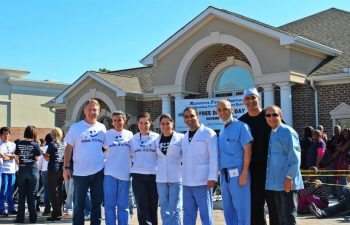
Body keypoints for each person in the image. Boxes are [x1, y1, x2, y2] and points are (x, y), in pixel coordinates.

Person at [238, 87, 279, 225]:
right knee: (255, 207)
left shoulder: (270, 116)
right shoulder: (241, 122)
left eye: (253, 97)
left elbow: (283, 137)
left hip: (272, 169)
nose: (250, 101)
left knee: (275, 206)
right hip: (253, 171)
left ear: (259, 99)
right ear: (244, 102)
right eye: (247, 98)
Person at [63, 99, 106, 225]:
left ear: (98, 112)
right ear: (84, 111)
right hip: (80, 173)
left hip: (98, 171)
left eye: (95, 110)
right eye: (90, 109)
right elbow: (68, 148)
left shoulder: (102, 127)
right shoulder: (76, 127)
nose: (92, 112)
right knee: (78, 205)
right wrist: (66, 168)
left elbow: (106, 147)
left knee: (97, 205)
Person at [265, 105, 304, 225]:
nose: (271, 117)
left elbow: (295, 157)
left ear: (280, 116)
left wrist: (289, 177)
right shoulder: (272, 132)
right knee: (281, 217)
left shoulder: (287, 131)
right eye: (268, 115)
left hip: (286, 181)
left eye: (274, 115)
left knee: (288, 217)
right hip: (276, 183)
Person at [216, 100, 253, 225]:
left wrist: (244, 173)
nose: (222, 112)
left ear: (232, 110)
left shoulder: (241, 127)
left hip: (238, 174)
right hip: (224, 175)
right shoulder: (221, 131)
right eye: (219, 110)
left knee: (242, 209)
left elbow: (248, 152)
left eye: (225, 109)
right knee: (228, 209)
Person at [181, 107, 218, 225]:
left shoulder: (208, 133)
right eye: (186, 117)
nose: (189, 119)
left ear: (198, 116)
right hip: (187, 183)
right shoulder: (184, 136)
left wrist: (212, 177)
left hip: (203, 182)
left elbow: (214, 157)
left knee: (206, 215)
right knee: (188, 215)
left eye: (192, 116)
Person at [103, 111, 133, 225]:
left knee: (123, 205)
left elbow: (133, 153)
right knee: (109, 204)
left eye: (119, 120)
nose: (117, 122)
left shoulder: (129, 134)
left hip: (125, 174)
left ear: (124, 121)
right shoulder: (107, 134)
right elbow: (103, 149)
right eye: (114, 120)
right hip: (110, 173)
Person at [130, 112, 159, 225]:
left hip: (154, 176)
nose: (143, 125)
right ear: (138, 124)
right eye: (141, 123)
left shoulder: (157, 137)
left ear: (150, 123)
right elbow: (129, 155)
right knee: (142, 206)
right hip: (138, 176)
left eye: (146, 123)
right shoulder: (133, 139)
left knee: (153, 206)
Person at [156, 114, 183, 225]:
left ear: (172, 124)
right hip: (161, 179)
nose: (165, 126)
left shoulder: (181, 138)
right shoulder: (156, 139)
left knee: (176, 208)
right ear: (160, 126)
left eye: (168, 123)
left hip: (176, 178)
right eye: (163, 123)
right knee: (164, 207)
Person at [14, 125, 41, 223]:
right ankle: (33, 218)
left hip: (22, 169)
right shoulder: (35, 144)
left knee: (21, 194)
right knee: (32, 195)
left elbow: (16, 157)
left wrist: (20, 164)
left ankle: (20, 218)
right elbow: (37, 158)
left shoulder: (19, 143)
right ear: (34, 133)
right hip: (32, 170)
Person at [44, 127, 66, 221]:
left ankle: (55, 215)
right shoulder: (64, 144)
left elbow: (48, 158)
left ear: (52, 135)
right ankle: (59, 213)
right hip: (62, 170)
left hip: (53, 170)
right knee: (60, 192)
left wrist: (44, 155)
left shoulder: (52, 144)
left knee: (53, 193)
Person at [0, 127, 17, 216]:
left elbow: (16, 155)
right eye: (4, 134)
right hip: (3, 171)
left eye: (8, 134)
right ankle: (1, 209)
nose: (6, 136)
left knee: (11, 192)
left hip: (12, 171)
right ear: (1, 135)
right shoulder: (0, 144)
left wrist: (7, 156)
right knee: (3, 191)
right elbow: (3, 158)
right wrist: (11, 156)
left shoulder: (13, 144)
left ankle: (11, 209)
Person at [37, 133, 53, 216]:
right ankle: (58, 209)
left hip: (45, 171)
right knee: (56, 191)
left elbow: (39, 162)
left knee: (47, 190)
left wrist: (38, 170)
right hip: (55, 171)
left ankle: (47, 209)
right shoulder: (55, 147)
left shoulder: (43, 148)